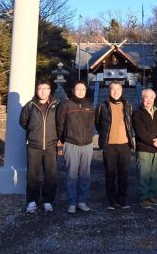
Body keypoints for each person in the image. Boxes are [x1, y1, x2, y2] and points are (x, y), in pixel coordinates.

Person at [19, 79, 61, 214]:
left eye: (45, 89)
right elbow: (23, 121)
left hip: (51, 145)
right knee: (33, 175)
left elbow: (61, 122)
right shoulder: (30, 105)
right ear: (37, 90)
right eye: (40, 89)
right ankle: (32, 200)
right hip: (33, 145)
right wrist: (33, 131)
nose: (42, 91)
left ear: (50, 90)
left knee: (50, 175)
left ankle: (48, 201)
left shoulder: (57, 104)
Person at [56, 81, 96, 214]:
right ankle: (72, 202)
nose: (80, 91)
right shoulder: (66, 105)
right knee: (71, 175)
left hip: (87, 144)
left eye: (83, 89)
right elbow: (60, 124)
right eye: (78, 89)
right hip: (71, 143)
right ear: (73, 90)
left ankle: (82, 201)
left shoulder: (90, 106)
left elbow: (92, 124)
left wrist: (90, 138)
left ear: (86, 91)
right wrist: (62, 141)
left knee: (85, 175)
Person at [95, 81, 134, 210]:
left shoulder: (128, 105)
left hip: (124, 145)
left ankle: (122, 199)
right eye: (113, 89)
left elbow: (130, 123)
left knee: (124, 173)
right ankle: (111, 201)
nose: (115, 92)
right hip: (109, 145)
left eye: (118, 89)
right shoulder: (103, 105)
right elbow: (97, 123)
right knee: (110, 174)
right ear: (109, 91)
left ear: (122, 91)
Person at [131, 88, 157, 208]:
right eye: (146, 97)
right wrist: (153, 142)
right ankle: (143, 197)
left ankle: (152, 195)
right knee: (143, 174)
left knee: (156, 174)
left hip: (156, 148)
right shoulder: (137, 113)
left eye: (151, 98)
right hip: (144, 148)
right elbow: (140, 131)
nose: (149, 100)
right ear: (142, 98)